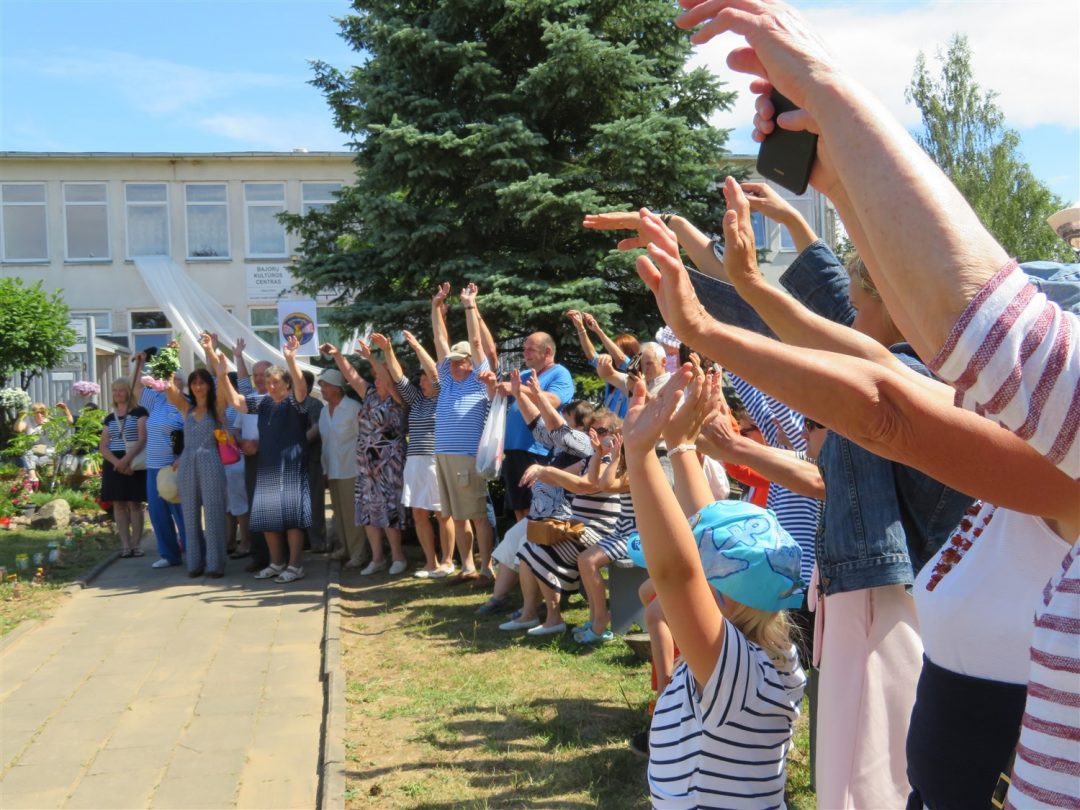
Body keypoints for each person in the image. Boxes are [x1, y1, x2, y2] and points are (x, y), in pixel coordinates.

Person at [623, 367, 806, 808]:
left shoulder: (735, 671)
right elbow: (708, 532)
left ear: (719, 599)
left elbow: (677, 572)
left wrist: (640, 455)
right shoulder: (768, 651)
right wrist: (681, 447)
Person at [217, 334, 311, 584]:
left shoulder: (296, 403)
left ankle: (295, 565)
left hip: (291, 467)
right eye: (268, 382)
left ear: (286, 384)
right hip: (267, 466)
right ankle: (277, 563)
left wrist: (291, 359)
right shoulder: (264, 404)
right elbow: (237, 402)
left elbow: (301, 387)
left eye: (275, 382)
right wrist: (222, 375)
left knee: (292, 519)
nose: (270, 386)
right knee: (269, 518)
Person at [430, 282, 497, 585]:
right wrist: (436, 308)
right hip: (444, 456)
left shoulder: (479, 380)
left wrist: (470, 305)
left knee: (478, 515)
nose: (455, 364)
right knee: (457, 515)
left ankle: (487, 568)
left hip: (467, 457)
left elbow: (477, 342)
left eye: (460, 360)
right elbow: (439, 340)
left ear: (471, 362)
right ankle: (467, 566)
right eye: (453, 361)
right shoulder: (447, 379)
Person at [325, 338, 408, 575]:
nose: (376, 378)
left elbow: (388, 380)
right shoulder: (370, 394)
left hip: (389, 463)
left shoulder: (397, 397)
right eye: (375, 374)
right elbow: (351, 377)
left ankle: (398, 557)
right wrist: (337, 355)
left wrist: (372, 356)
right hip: (366, 463)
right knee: (369, 510)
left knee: (389, 509)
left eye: (381, 374)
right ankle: (377, 558)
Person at [378, 330, 455, 578]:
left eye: (424, 379)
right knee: (419, 513)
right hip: (415, 461)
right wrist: (388, 350)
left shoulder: (443, 396)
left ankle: (447, 561)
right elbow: (397, 377)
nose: (421, 383)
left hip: (434, 460)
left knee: (442, 512)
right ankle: (430, 562)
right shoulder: (417, 400)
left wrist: (417, 346)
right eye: (420, 379)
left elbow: (435, 372)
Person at [495, 331, 575, 523]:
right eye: (524, 349)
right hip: (514, 449)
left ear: (547, 352)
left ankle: (534, 540)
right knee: (518, 506)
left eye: (530, 349)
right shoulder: (524, 375)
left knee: (537, 506)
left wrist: (518, 389)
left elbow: (554, 400)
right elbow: (501, 398)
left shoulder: (560, 373)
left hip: (538, 450)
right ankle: (524, 540)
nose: (525, 353)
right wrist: (492, 384)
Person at [165, 343, 228, 579]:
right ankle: (194, 563)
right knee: (190, 514)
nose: (198, 386)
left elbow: (223, 386)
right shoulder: (186, 407)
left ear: (208, 385)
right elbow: (170, 390)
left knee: (213, 513)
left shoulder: (216, 407)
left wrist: (212, 354)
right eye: (194, 383)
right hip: (188, 461)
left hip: (211, 459)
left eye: (202, 382)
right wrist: (171, 358)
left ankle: (215, 564)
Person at [131, 352, 186, 569]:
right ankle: (169, 554)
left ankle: (194, 551)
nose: (167, 384)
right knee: (158, 513)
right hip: (153, 467)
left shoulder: (185, 405)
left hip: (173, 466)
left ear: (180, 384)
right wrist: (139, 364)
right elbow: (136, 389)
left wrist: (183, 457)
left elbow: (192, 433)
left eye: (173, 380)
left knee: (181, 513)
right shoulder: (157, 401)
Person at [315, 366, 365, 568]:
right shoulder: (323, 411)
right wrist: (325, 470)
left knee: (352, 513)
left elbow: (363, 438)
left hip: (351, 469)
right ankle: (344, 548)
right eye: (321, 385)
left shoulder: (353, 407)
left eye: (325, 385)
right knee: (339, 512)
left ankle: (358, 553)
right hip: (332, 470)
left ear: (337, 387)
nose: (322, 389)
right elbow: (325, 443)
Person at [234, 340, 273, 574]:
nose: (258, 379)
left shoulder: (277, 399)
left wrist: (260, 444)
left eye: (262, 375)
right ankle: (259, 556)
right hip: (249, 459)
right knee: (254, 508)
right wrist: (243, 443)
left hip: (270, 458)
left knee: (272, 508)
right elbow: (236, 429)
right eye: (255, 375)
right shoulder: (248, 400)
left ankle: (277, 557)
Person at [99, 379, 148, 557]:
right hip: (114, 464)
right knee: (118, 504)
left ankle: (136, 544)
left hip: (134, 461)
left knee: (135, 504)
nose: (118, 393)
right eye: (115, 390)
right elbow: (103, 446)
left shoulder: (139, 412)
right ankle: (125, 545)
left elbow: (142, 438)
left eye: (121, 390)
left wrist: (126, 460)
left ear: (128, 392)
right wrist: (117, 463)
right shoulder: (109, 418)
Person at [565, 310, 639, 419]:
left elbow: (621, 358)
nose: (611, 352)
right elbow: (591, 355)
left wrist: (598, 330)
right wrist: (581, 328)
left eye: (615, 348)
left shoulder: (636, 371)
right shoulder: (610, 370)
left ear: (630, 352)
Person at [300, 369, 326, 552]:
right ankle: (303, 541)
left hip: (312, 461)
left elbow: (317, 428)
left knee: (314, 504)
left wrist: (295, 443)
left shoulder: (314, 404)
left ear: (308, 386)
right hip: (294, 463)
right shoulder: (288, 403)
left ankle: (318, 542)